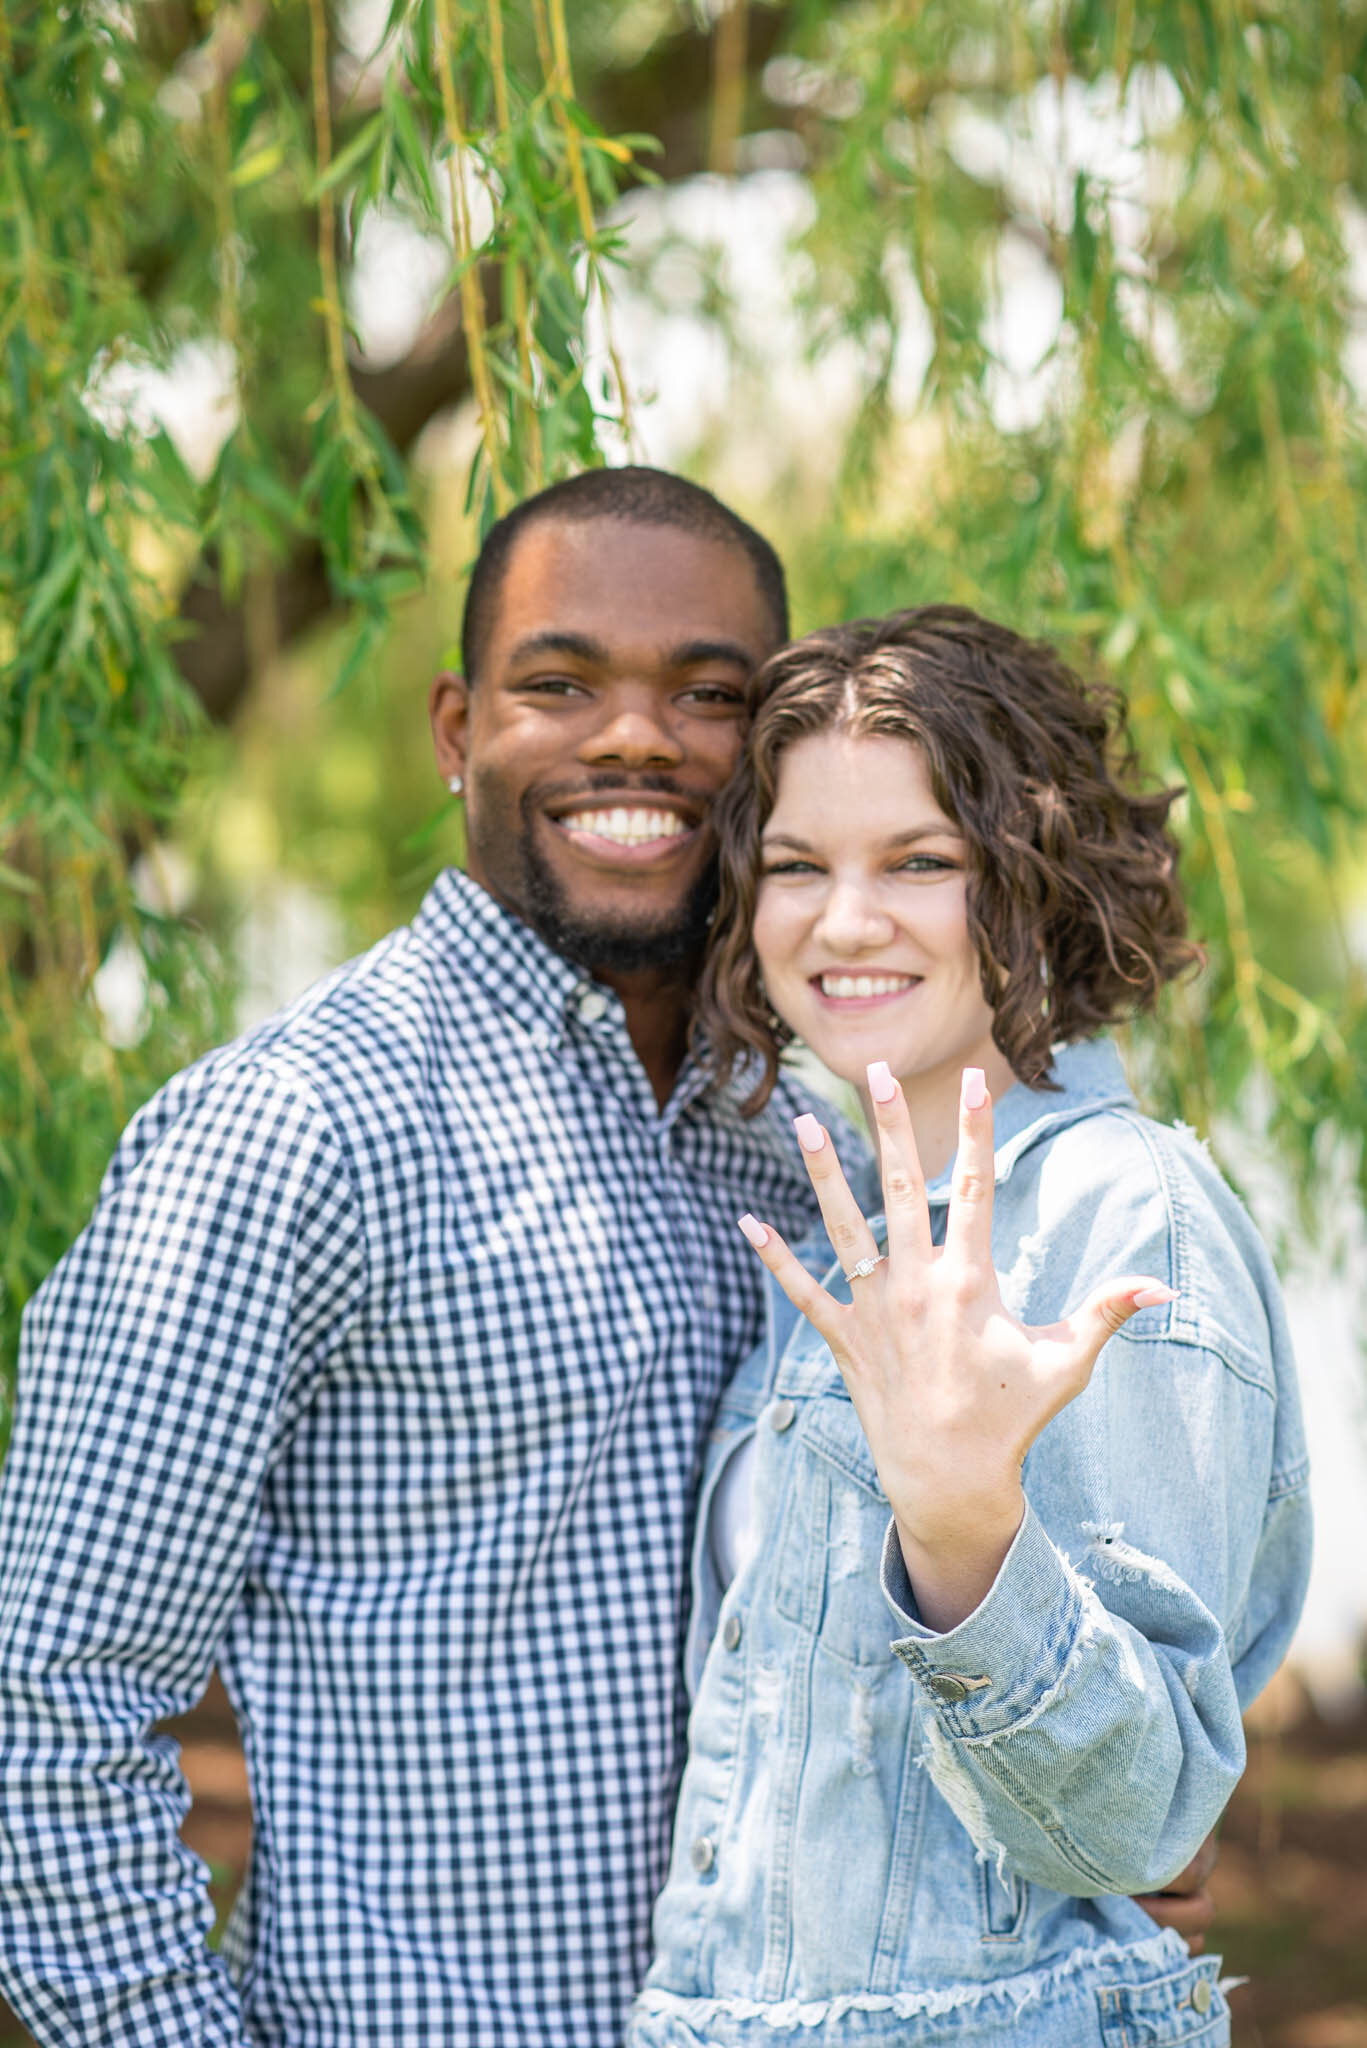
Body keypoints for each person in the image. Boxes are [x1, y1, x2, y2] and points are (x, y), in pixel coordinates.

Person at [0, 473, 1212, 2048]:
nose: (635, 740)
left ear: (768, 762)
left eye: (708, 695)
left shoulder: (802, 1155)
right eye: (558, 684)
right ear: (455, 729)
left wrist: (1106, 1852)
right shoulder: (291, 1132)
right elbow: (47, 1706)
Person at [631, 607, 1311, 2048]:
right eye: (798, 866)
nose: (845, 918)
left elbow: (1140, 1818)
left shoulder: (1127, 1216)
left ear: (1034, 882)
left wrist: (962, 1536)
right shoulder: (842, 1233)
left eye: (921, 863)